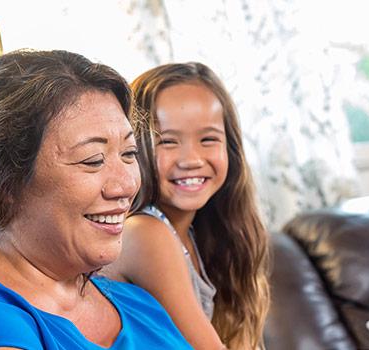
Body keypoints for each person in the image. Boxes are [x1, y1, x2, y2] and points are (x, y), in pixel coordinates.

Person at [0, 49, 191, 349]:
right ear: (5, 181)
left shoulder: (137, 302)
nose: (125, 185)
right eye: (92, 160)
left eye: (129, 154)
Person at [101, 62, 271, 349]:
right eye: (167, 141)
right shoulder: (144, 232)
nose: (191, 159)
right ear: (134, 147)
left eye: (208, 139)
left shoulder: (194, 234)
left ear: (230, 147)